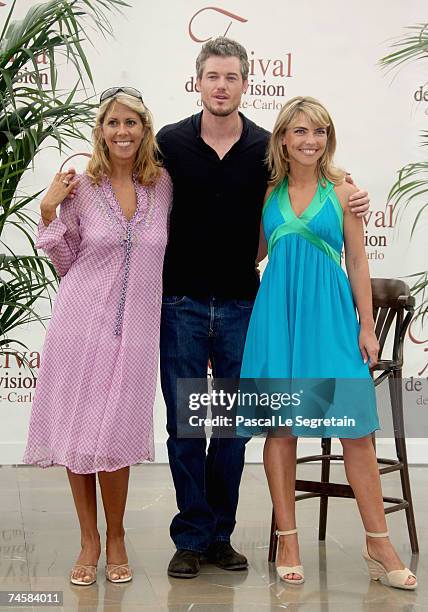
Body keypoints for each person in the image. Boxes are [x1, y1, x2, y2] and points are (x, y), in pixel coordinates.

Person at [156, 37, 371, 579]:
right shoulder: (170, 143)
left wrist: (350, 189)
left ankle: (221, 536)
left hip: (243, 308)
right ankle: (191, 535)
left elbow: (311, 187)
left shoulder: (263, 153)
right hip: (179, 301)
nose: (222, 86)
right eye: (213, 77)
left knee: (232, 427)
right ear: (198, 81)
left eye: (232, 77)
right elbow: (133, 187)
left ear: (246, 84)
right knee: (186, 424)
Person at [239, 96, 417, 589]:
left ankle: (378, 543)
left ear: (328, 138)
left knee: (356, 431)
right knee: (281, 429)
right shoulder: (267, 192)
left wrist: (365, 325)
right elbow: (250, 251)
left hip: (331, 319)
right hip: (278, 319)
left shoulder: (343, 193)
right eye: (299, 131)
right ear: (283, 139)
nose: (309, 140)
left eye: (318, 131)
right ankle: (288, 538)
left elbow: (358, 262)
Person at [23, 87, 172, 585]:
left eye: (131, 123)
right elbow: (65, 262)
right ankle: (89, 540)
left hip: (136, 335)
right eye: (113, 123)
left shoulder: (164, 186)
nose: (122, 132)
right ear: (100, 130)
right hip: (79, 325)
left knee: (116, 436)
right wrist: (48, 210)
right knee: (80, 432)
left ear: (144, 128)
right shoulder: (79, 185)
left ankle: (118, 535)